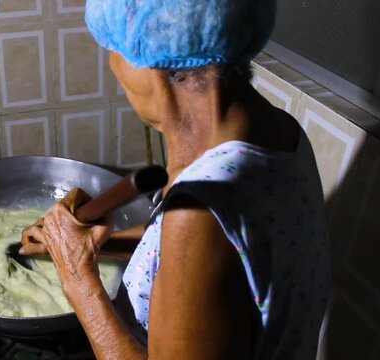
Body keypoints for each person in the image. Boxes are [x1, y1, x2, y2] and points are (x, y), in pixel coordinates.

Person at [20, 1, 330, 359]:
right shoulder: (280, 132)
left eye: (113, 47)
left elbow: (199, 235)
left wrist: (77, 276)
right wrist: (86, 247)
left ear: (151, 56)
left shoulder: (200, 208)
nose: (112, 65)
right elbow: (199, 257)